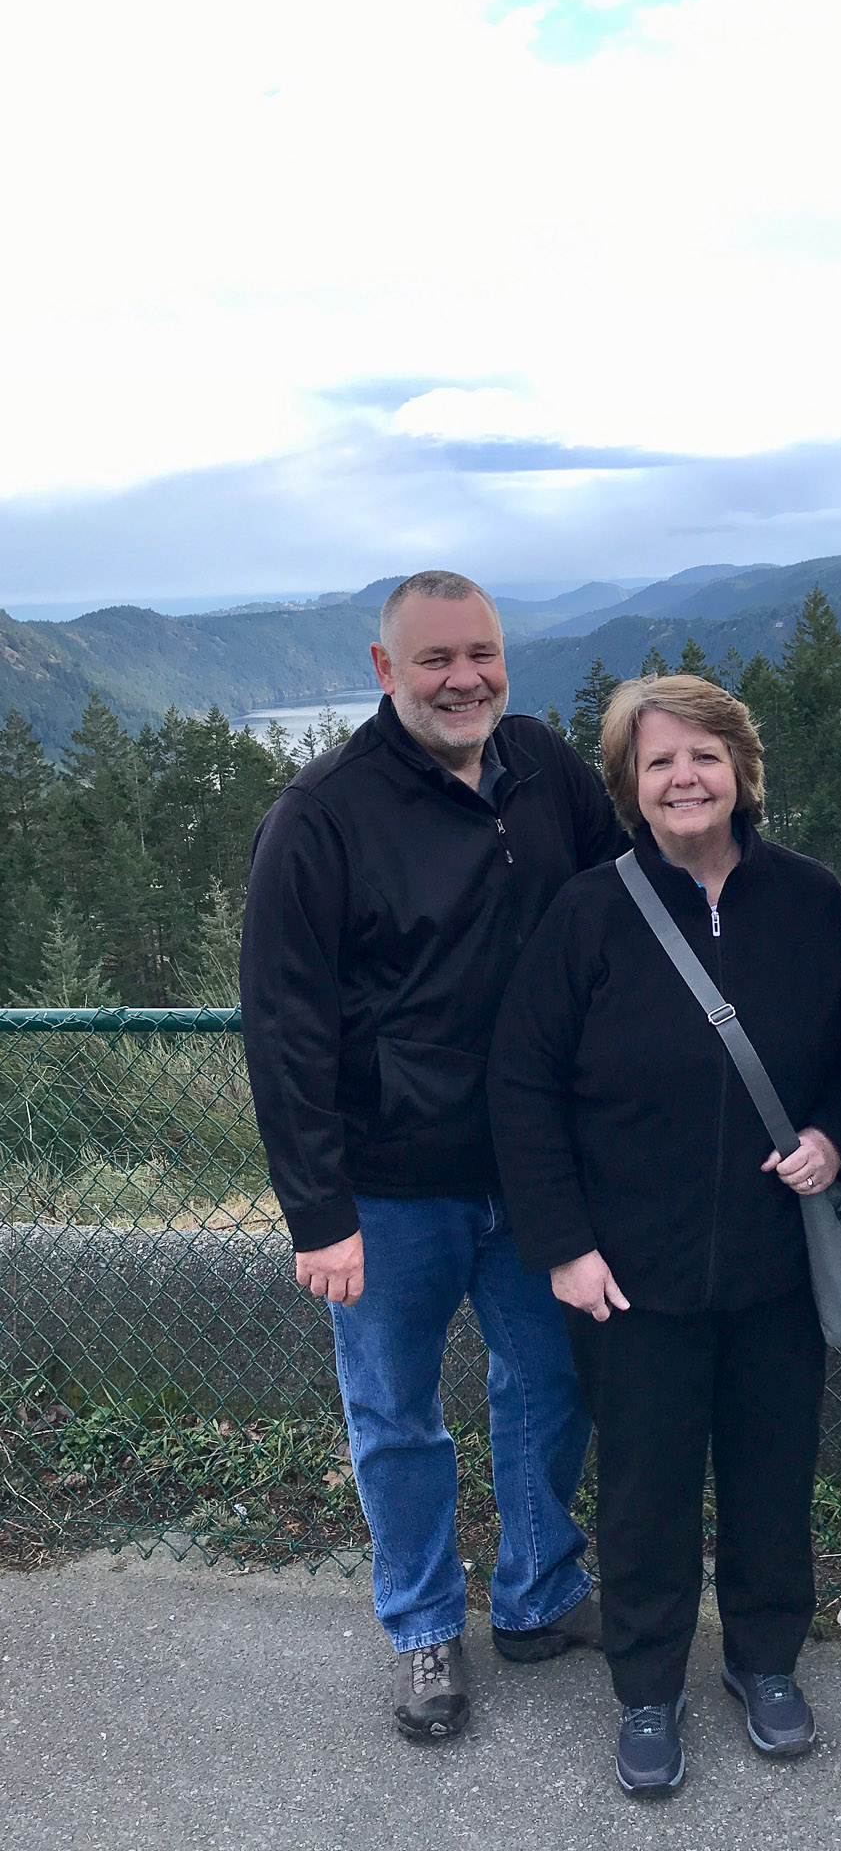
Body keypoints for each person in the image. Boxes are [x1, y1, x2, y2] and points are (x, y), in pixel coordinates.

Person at [239, 570, 623, 1744]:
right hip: (389, 1185)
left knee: (550, 1382)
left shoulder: (543, 766)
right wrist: (318, 1211)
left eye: (482, 653)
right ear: (384, 668)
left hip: (535, 1169)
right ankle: (422, 1625)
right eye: (437, 658)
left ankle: (538, 1590)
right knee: (396, 1414)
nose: (465, 679)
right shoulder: (321, 815)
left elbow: (629, 901)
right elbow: (285, 1026)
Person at [487, 675, 841, 1799]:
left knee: (772, 1478)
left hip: (775, 1268)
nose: (684, 778)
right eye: (658, 761)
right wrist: (563, 1244)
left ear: (742, 769)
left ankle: (765, 1662)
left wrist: (836, 1137)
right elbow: (522, 1085)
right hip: (629, 1276)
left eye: (703, 755)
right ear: (629, 784)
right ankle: (648, 1687)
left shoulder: (811, 901)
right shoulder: (587, 915)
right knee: (643, 1492)